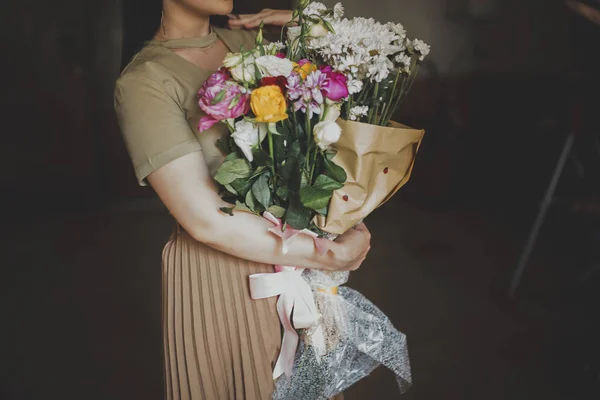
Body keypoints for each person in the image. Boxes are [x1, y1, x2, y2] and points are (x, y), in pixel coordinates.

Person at [114, 1, 372, 399]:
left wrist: (297, 20)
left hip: (294, 258)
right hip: (218, 271)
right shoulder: (145, 80)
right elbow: (205, 219)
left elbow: (370, 51)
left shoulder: (250, 44)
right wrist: (329, 255)